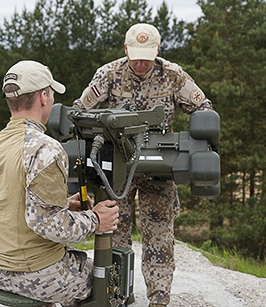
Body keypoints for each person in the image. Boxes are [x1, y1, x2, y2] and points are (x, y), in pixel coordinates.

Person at [73, 23, 215, 307]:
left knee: (159, 236)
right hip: (115, 171)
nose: (140, 63)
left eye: (147, 57)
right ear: (126, 49)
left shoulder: (172, 75)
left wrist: (196, 146)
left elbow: (204, 108)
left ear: (158, 50)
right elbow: (80, 112)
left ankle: (159, 299)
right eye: (135, 55)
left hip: (158, 170)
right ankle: (117, 294)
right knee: (114, 234)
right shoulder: (108, 74)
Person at [0, 60, 119, 307]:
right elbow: (50, 226)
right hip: (37, 274)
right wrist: (96, 220)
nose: (52, 100)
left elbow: (13, 202)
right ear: (43, 97)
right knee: (108, 282)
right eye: (52, 94)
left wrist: (63, 204)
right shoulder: (45, 149)